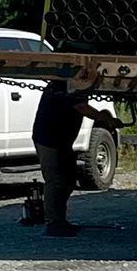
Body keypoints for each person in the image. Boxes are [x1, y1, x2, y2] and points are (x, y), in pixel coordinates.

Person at [31, 65, 119, 238]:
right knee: (56, 181)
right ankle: (54, 223)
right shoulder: (64, 86)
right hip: (49, 140)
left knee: (67, 180)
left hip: (60, 141)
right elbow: (82, 107)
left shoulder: (66, 84)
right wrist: (104, 118)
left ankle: (60, 220)